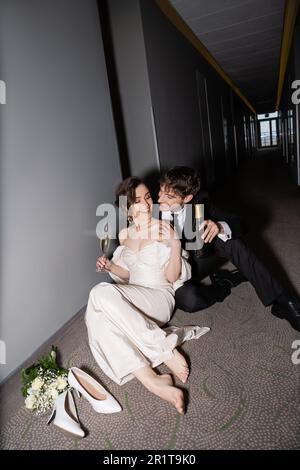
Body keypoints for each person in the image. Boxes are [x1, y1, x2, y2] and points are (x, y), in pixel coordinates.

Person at [85, 177, 210, 415]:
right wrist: (110, 267)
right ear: (126, 209)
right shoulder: (124, 235)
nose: (144, 204)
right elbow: (128, 274)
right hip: (134, 296)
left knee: (98, 294)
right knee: (99, 317)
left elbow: (173, 277)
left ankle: (164, 349)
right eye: (137, 201)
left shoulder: (163, 228)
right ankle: (152, 380)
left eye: (148, 198)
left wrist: (175, 245)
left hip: (159, 297)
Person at [158, 166, 300, 332]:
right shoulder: (151, 210)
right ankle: (225, 282)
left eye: (168, 197)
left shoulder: (200, 202)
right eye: (160, 191)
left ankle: (286, 302)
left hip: (196, 260)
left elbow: (241, 223)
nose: (160, 199)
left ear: (188, 198)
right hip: (168, 270)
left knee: (233, 242)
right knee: (191, 301)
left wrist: (218, 226)